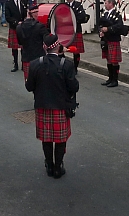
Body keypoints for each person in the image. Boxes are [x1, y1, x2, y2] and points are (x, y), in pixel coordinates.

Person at [26, 34, 79, 179]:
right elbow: (74, 87)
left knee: (47, 139)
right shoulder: (66, 64)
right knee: (60, 140)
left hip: (42, 106)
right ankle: (58, 167)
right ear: (59, 46)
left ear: (44, 47)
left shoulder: (35, 64)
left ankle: (49, 165)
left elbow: (29, 87)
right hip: (61, 107)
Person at [17, 5, 49, 82]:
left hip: (26, 58)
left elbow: (20, 42)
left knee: (30, 83)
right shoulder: (40, 26)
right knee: (41, 83)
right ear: (34, 14)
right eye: (37, 12)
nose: (38, 14)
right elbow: (48, 40)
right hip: (39, 58)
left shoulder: (19, 27)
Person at [99, 0, 125, 87]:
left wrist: (108, 29)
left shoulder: (117, 14)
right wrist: (101, 32)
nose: (105, 5)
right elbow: (100, 26)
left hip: (113, 40)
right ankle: (110, 78)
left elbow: (119, 27)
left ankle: (115, 80)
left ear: (111, 3)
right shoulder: (105, 14)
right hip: (106, 40)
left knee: (114, 61)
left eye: (106, 3)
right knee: (108, 60)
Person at [64, 0, 89, 71]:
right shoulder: (64, 5)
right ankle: (64, 66)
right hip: (67, 31)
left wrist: (73, 19)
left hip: (76, 30)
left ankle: (75, 68)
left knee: (76, 51)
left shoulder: (78, 5)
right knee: (62, 49)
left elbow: (82, 17)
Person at [5, 0, 27, 72]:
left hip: (23, 28)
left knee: (23, 47)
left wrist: (25, 20)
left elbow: (26, 13)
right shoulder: (8, 3)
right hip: (14, 27)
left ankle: (23, 64)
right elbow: (7, 17)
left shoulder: (23, 1)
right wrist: (17, 22)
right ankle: (15, 64)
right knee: (14, 48)